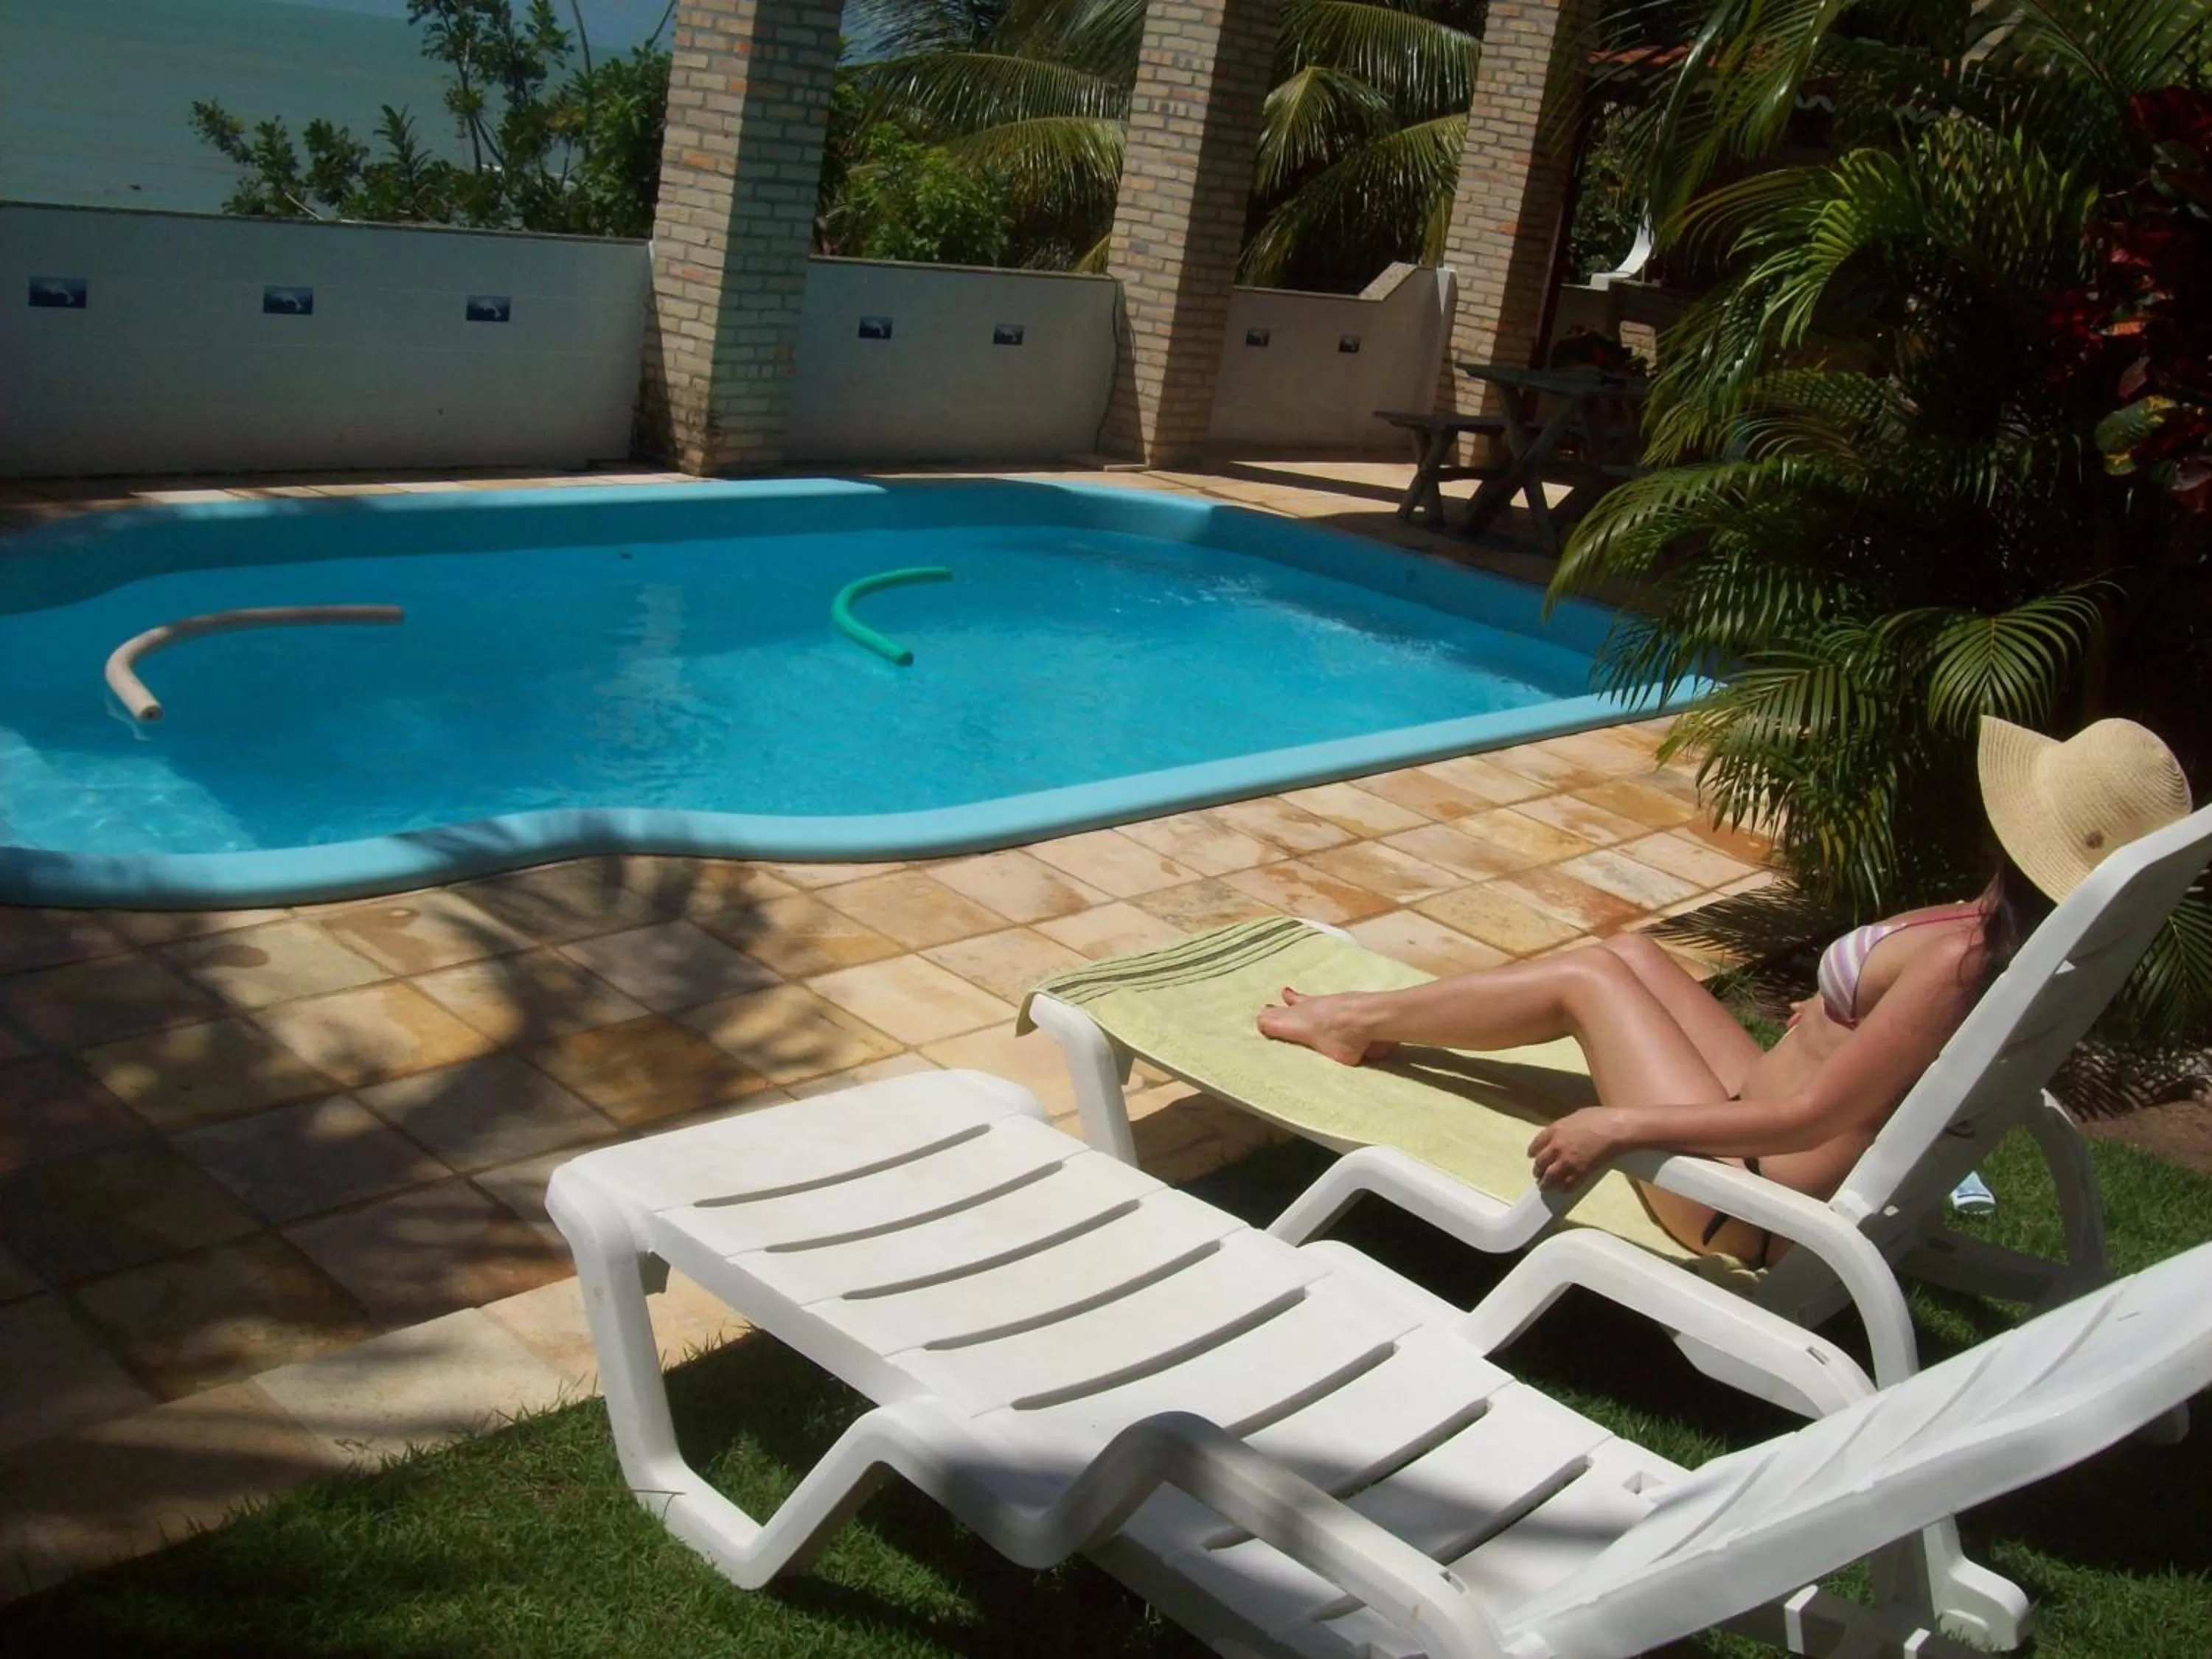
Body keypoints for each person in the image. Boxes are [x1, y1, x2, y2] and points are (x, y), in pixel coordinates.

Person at [1256, 716, 2192, 1265]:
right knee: (1629, 953)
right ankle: (1369, 1020)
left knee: (1587, 980)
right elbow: (1877, 1072)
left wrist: (1619, 1126)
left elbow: (1816, 1116)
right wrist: (1840, 1015)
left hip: (1742, 1195)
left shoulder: (1960, 964)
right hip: (1756, 1119)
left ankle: (1351, 1022)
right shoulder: (1995, 939)